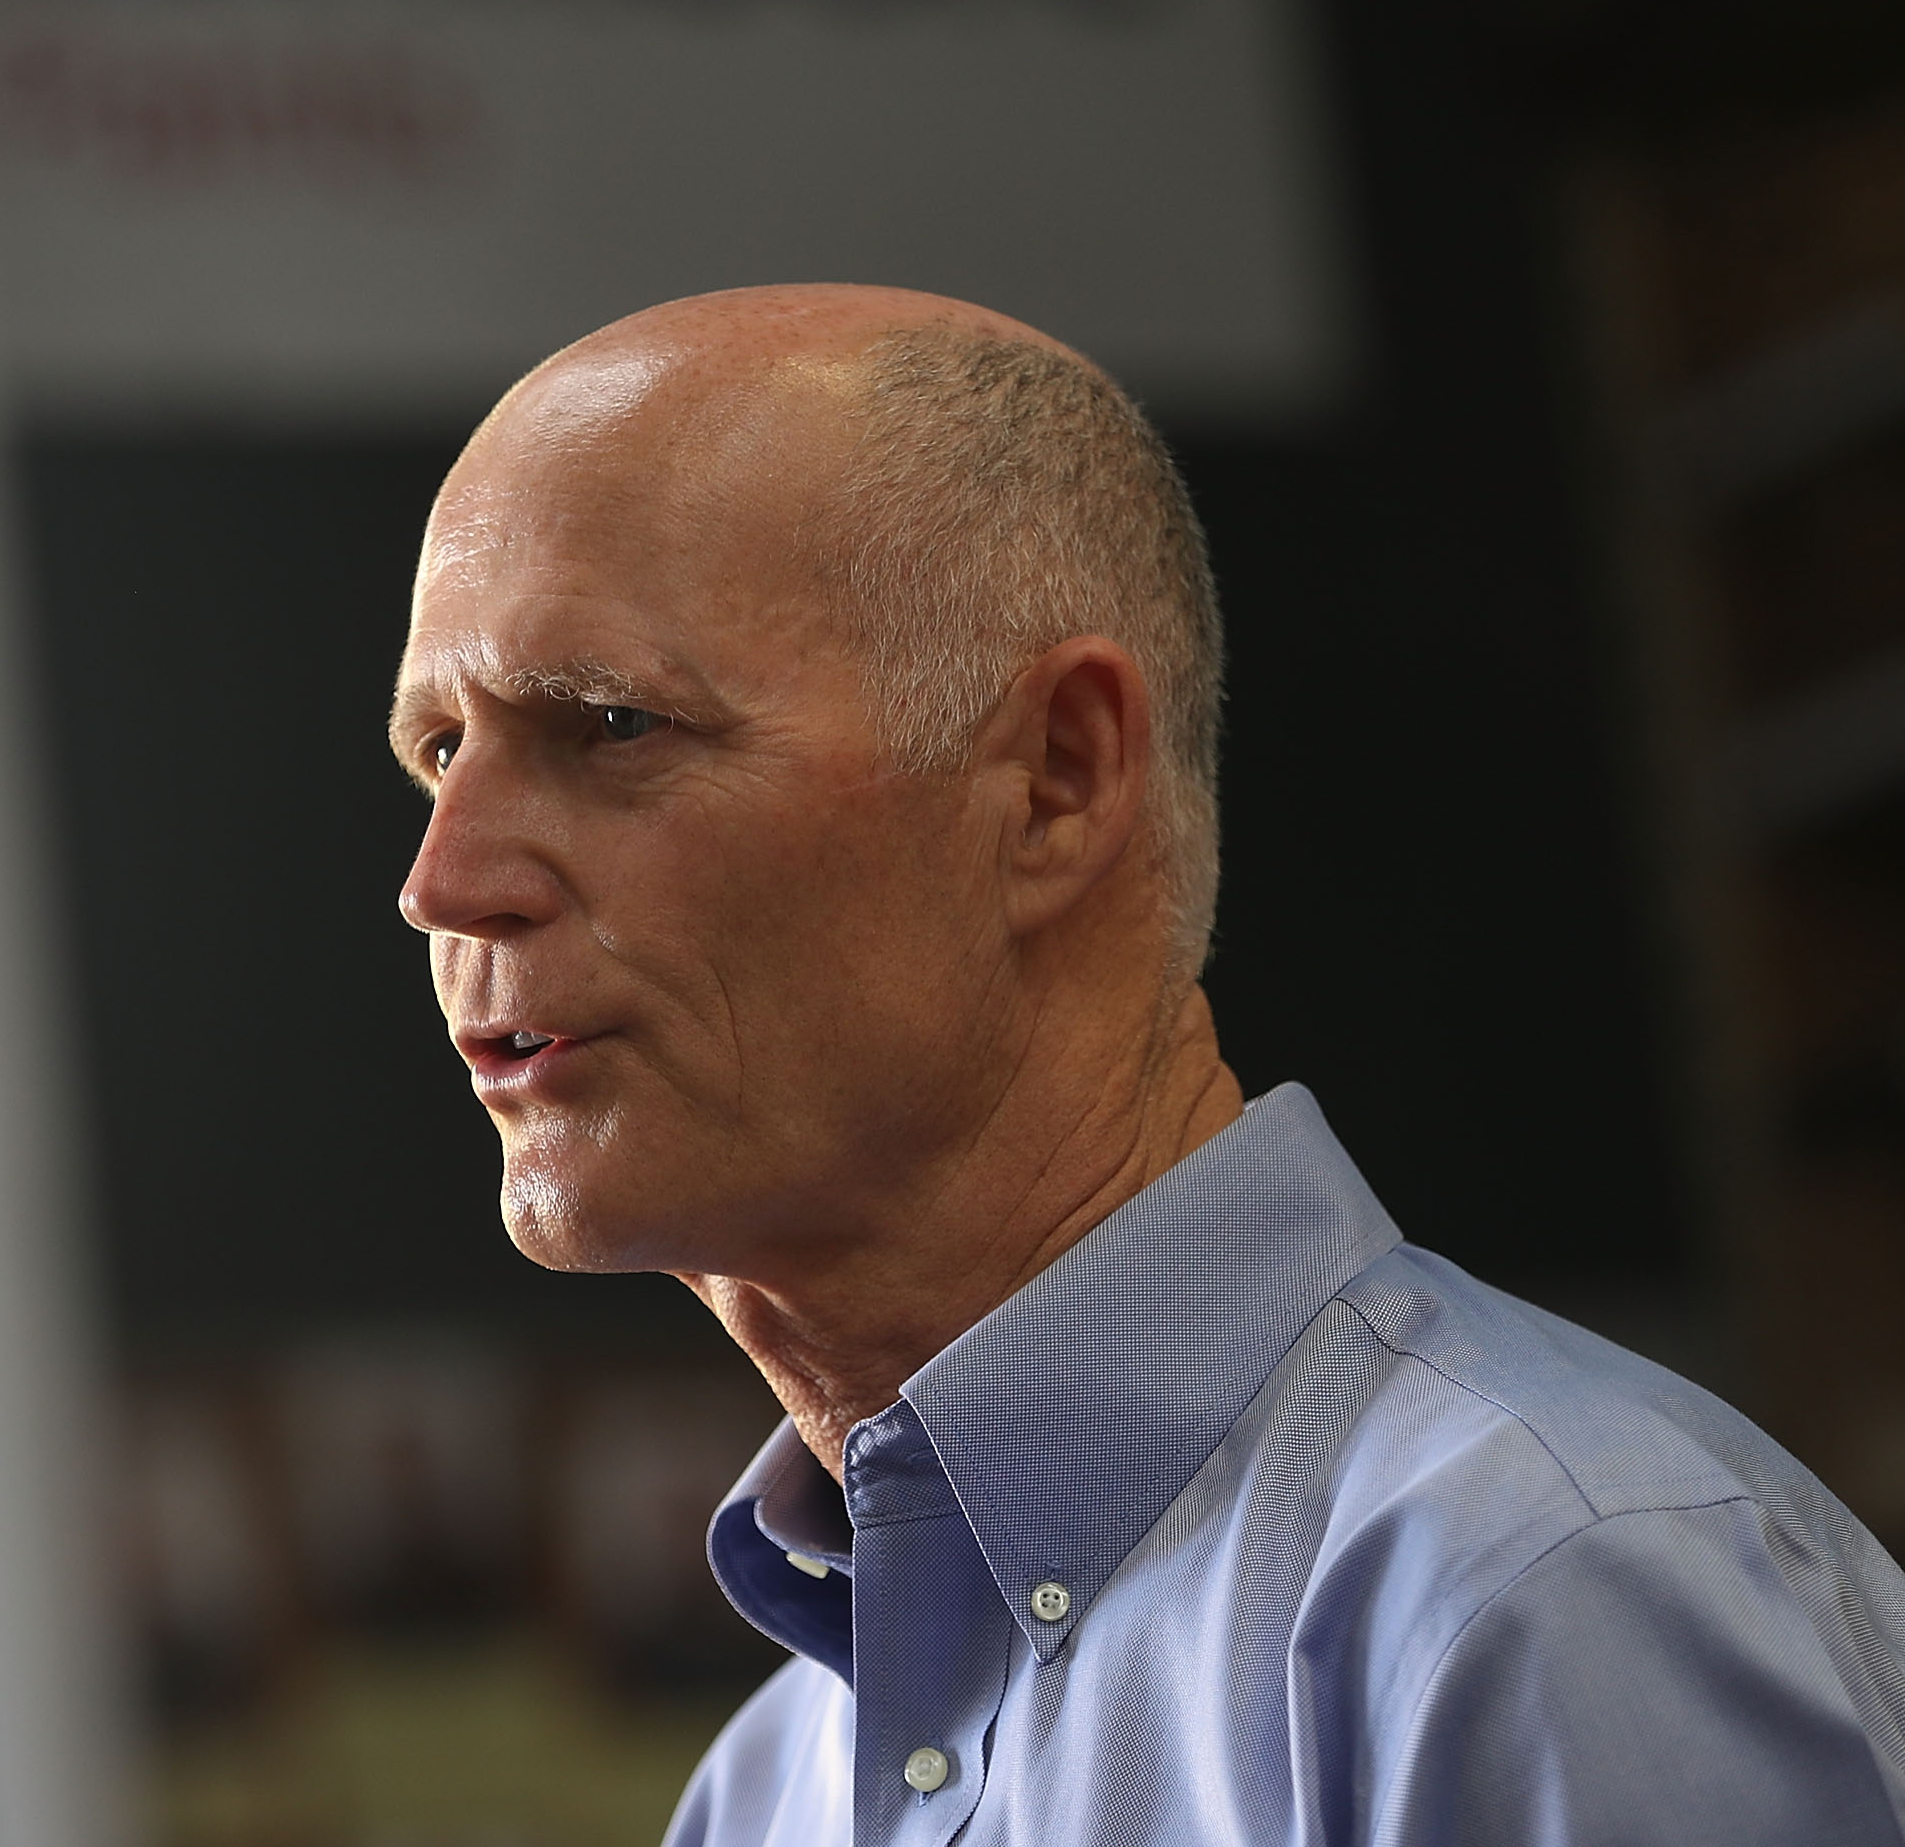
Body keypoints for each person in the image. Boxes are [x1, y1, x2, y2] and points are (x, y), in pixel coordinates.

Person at [387, 284, 1905, 1845]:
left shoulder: (1550, 1595)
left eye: (613, 724)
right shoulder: (764, 1794)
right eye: (440, 753)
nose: (445, 881)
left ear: (1055, 779)